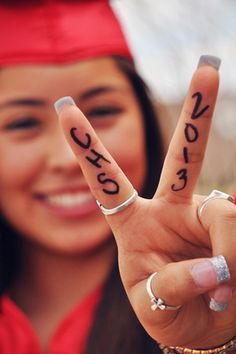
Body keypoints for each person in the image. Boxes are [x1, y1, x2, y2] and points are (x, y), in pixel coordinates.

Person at [0, 1, 236, 354]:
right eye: (23, 123)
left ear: (145, 121)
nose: (70, 158)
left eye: (103, 111)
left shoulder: (212, 282)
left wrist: (217, 343)